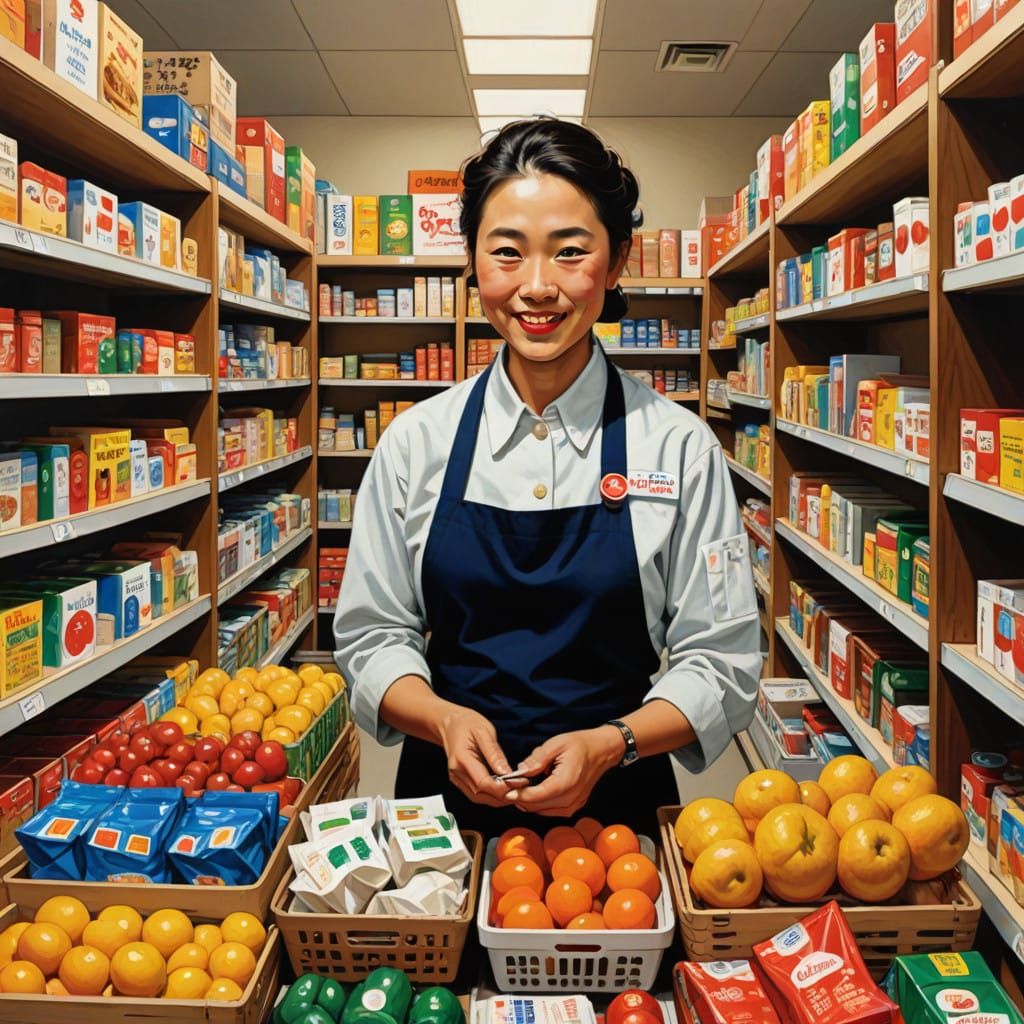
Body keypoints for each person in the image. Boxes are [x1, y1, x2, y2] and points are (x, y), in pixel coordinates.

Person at [334, 118, 761, 834]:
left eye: (570, 253)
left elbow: (721, 659)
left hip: (620, 807)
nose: (537, 287)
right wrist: (439, 718)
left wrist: (611, 743)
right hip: (442, 805)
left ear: (617, 260)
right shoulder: (415, 442)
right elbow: (374, 636)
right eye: (506, 253)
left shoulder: (678, 446)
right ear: (472, 261)